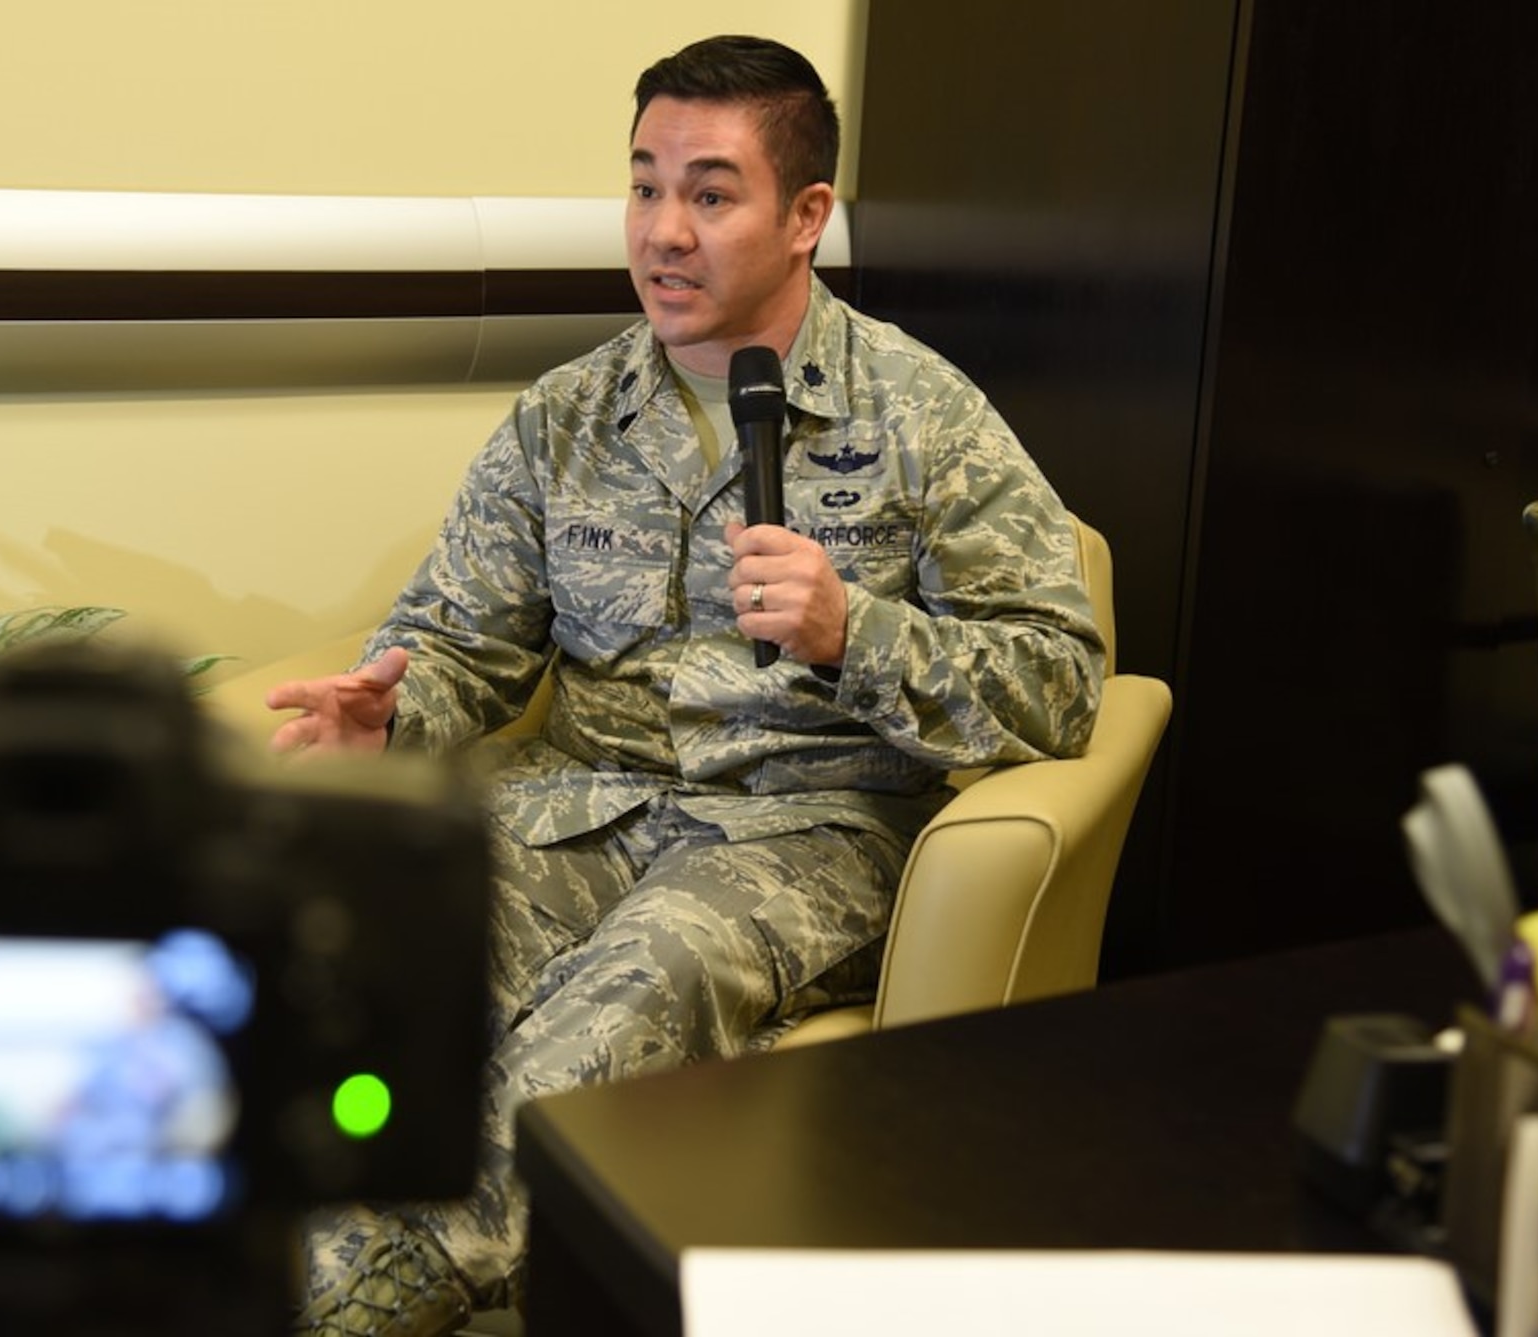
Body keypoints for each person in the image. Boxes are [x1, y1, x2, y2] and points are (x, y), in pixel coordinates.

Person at [266, 33, 1105, 1337]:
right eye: (645, 184)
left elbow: (1061, 680)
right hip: (576, 802)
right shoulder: (566, 413)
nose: (663, 230)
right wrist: (398, 707)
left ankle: (337, 1303)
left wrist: (856, 631)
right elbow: (463, 636)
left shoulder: (924, 414)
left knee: (627, 996)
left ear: (804, 217)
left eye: (710, 194)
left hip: (801, 825)